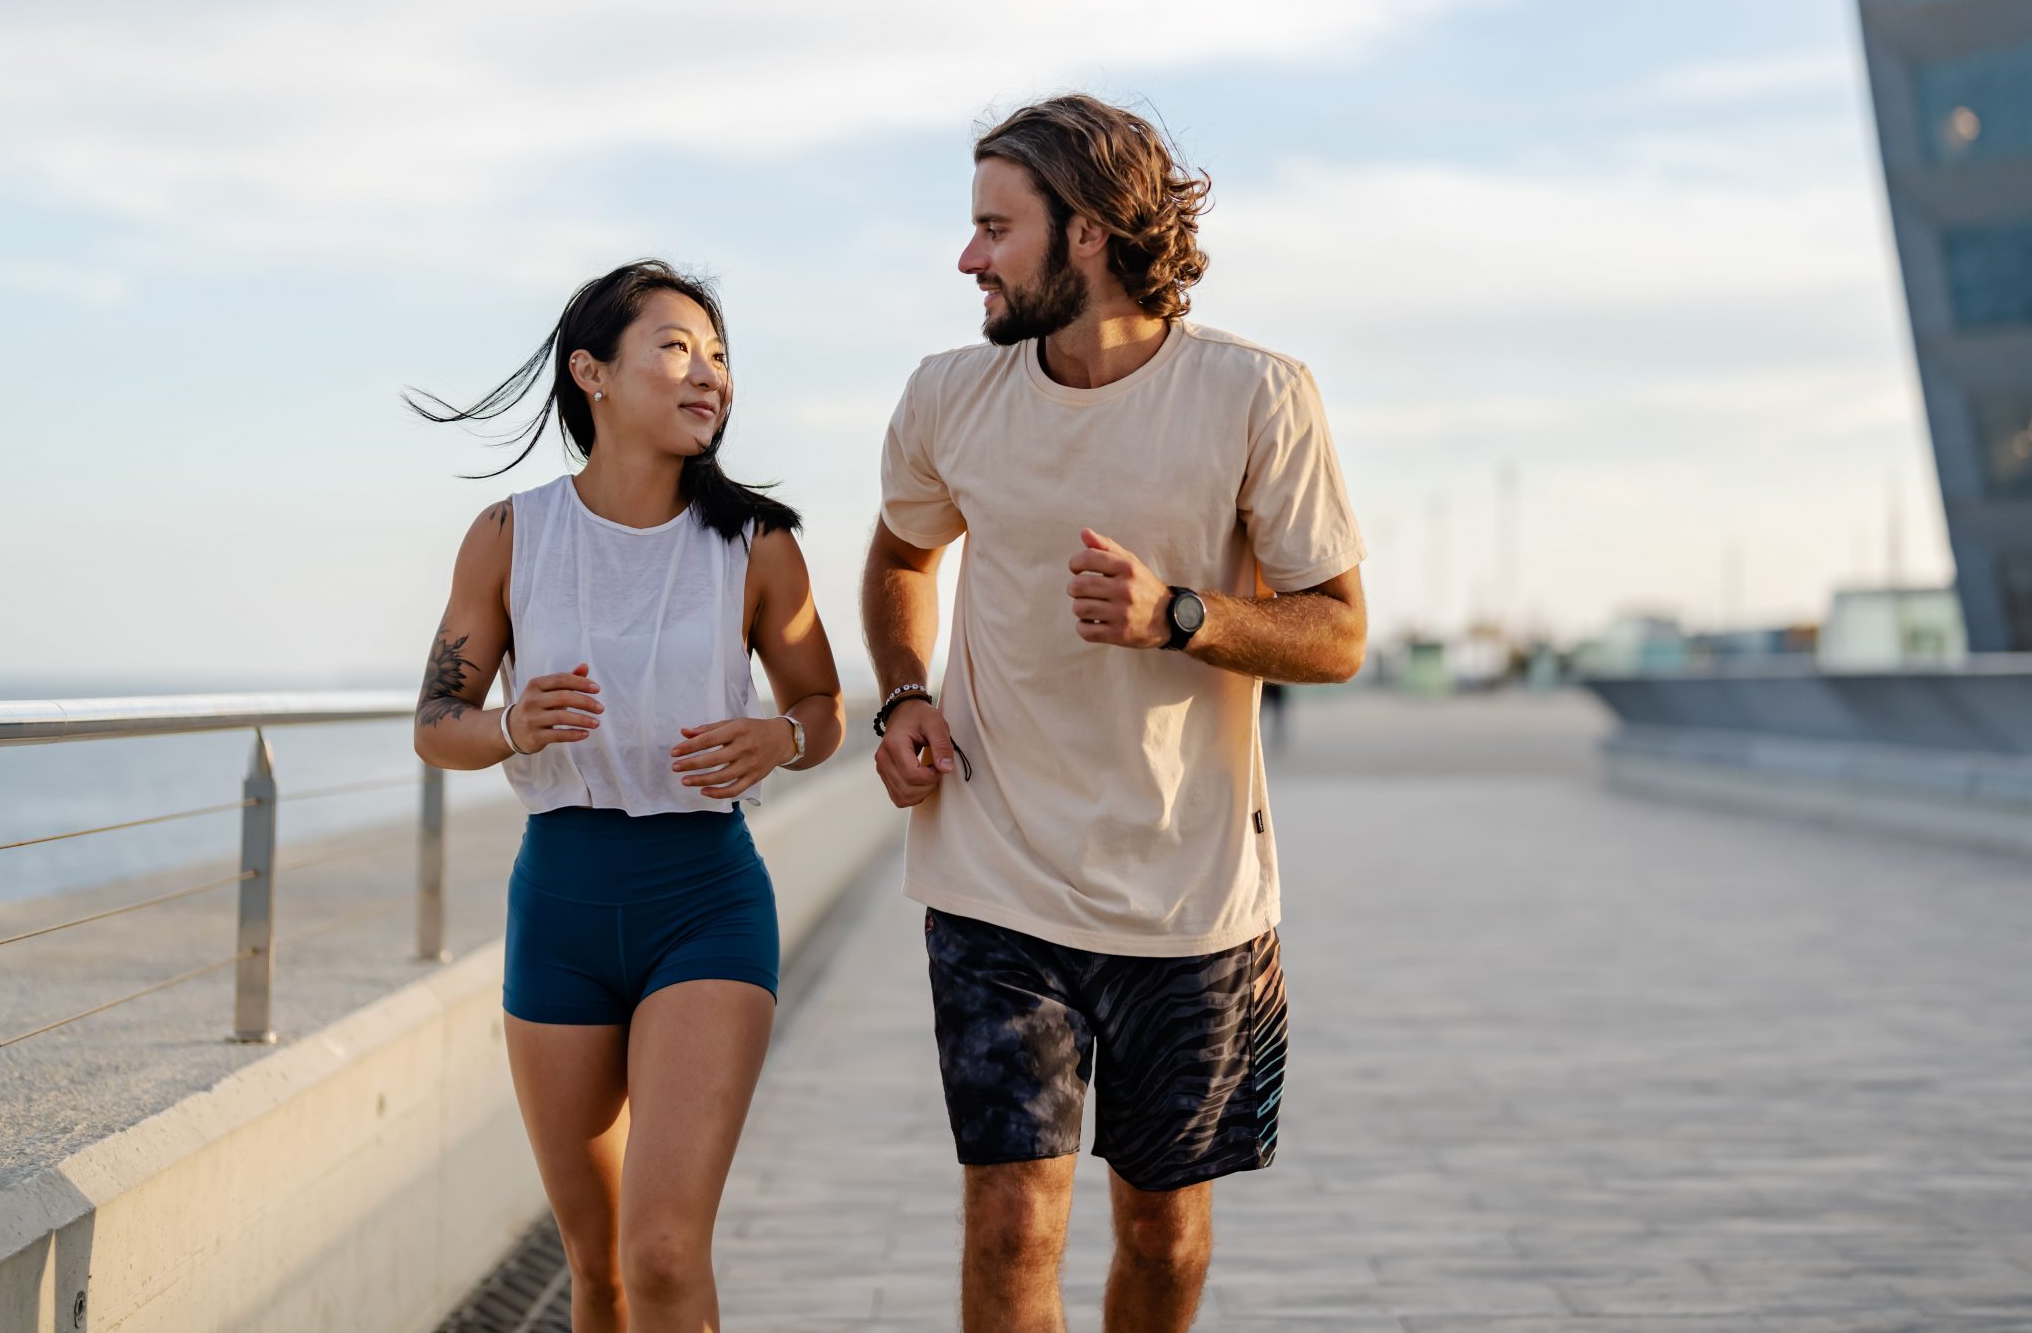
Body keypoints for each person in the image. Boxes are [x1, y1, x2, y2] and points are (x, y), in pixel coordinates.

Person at [861, 96, 1368, 1333]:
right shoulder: (946, 398)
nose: (967, 258)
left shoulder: (1256, 394)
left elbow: (1338, 633)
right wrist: (904, 693)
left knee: (1161, 1226)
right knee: (1012, 1223)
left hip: (1190, 895)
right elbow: (899, 563)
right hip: (994, 881)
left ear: (1084, 233)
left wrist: (1181, 617)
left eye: (994, 228)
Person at [409, 260, 844, 1333]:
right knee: (596, 1267)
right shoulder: (510, 537)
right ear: (591, 373)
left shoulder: (758, 544)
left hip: (704, 901)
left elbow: (825, 706)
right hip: (557, 906)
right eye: (677, 346)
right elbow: (434, 725)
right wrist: (511, 725)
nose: (710, 373)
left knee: (659, 1254)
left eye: (721, 354)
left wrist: (781, 736)